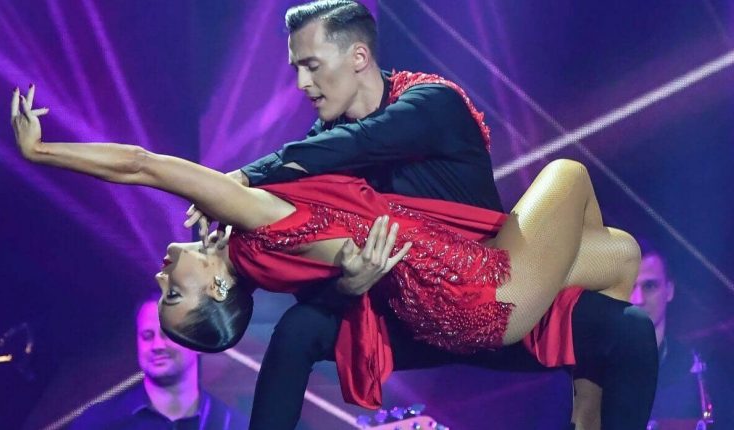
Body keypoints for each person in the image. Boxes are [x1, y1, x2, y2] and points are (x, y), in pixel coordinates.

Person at [10, 77, 641, 429]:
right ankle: (585, 406)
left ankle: (587, 407)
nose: (160, 274)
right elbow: (142, 165)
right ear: (220, 287)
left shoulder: (263, 257)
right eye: (175, 291)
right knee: (567, 173)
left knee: (620, 257)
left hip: (468, 300)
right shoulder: (254, 227)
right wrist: (43, 152)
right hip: (487, 290)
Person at [186, 1, 657, 429]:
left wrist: (239, 178)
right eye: (297, 69)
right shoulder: (322, 145)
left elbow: (362, 142)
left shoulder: (431, 103)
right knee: (298, 328)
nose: (301, 84)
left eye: (311, 66)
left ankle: (586, 414)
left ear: (358, 57)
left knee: (628, 312)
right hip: (406, 319)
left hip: (488, 301)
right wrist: (348, 284)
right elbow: (305, 252)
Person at [68, 292, 247, 430]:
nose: (157, 345)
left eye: (168, 334)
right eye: (147, 336)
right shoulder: (98, 423)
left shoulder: (234, 425)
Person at [630, 240, 707, 427]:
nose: (638, 299)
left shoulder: (697, 371)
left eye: (649, 286)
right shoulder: (588, 373)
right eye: (629, 287)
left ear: (669, 291)